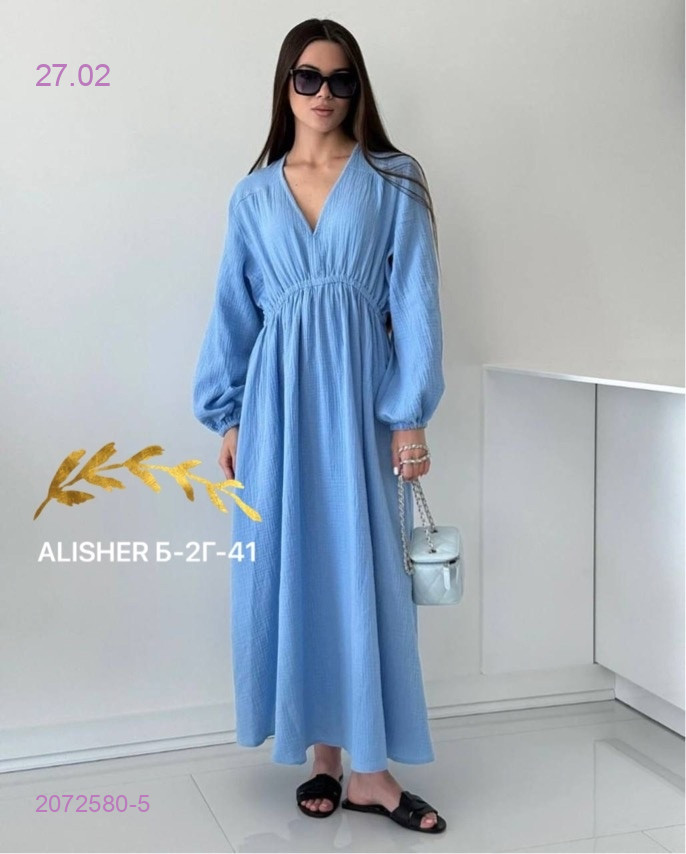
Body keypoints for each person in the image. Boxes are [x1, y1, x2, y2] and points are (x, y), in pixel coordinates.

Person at [192, 17, 447, 835]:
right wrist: (228, 415)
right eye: (308, 77)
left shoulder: (394, 180)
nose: (324, 94)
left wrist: (408, 416)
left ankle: (371, 770)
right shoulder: (253, 194)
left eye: (340, 79)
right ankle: (324, 759)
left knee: (363, 569)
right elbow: (233, 312)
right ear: (286, 85)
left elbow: (415, 304)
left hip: (362, 403)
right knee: (291, 564)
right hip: (275, 408)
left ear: (357, 88)